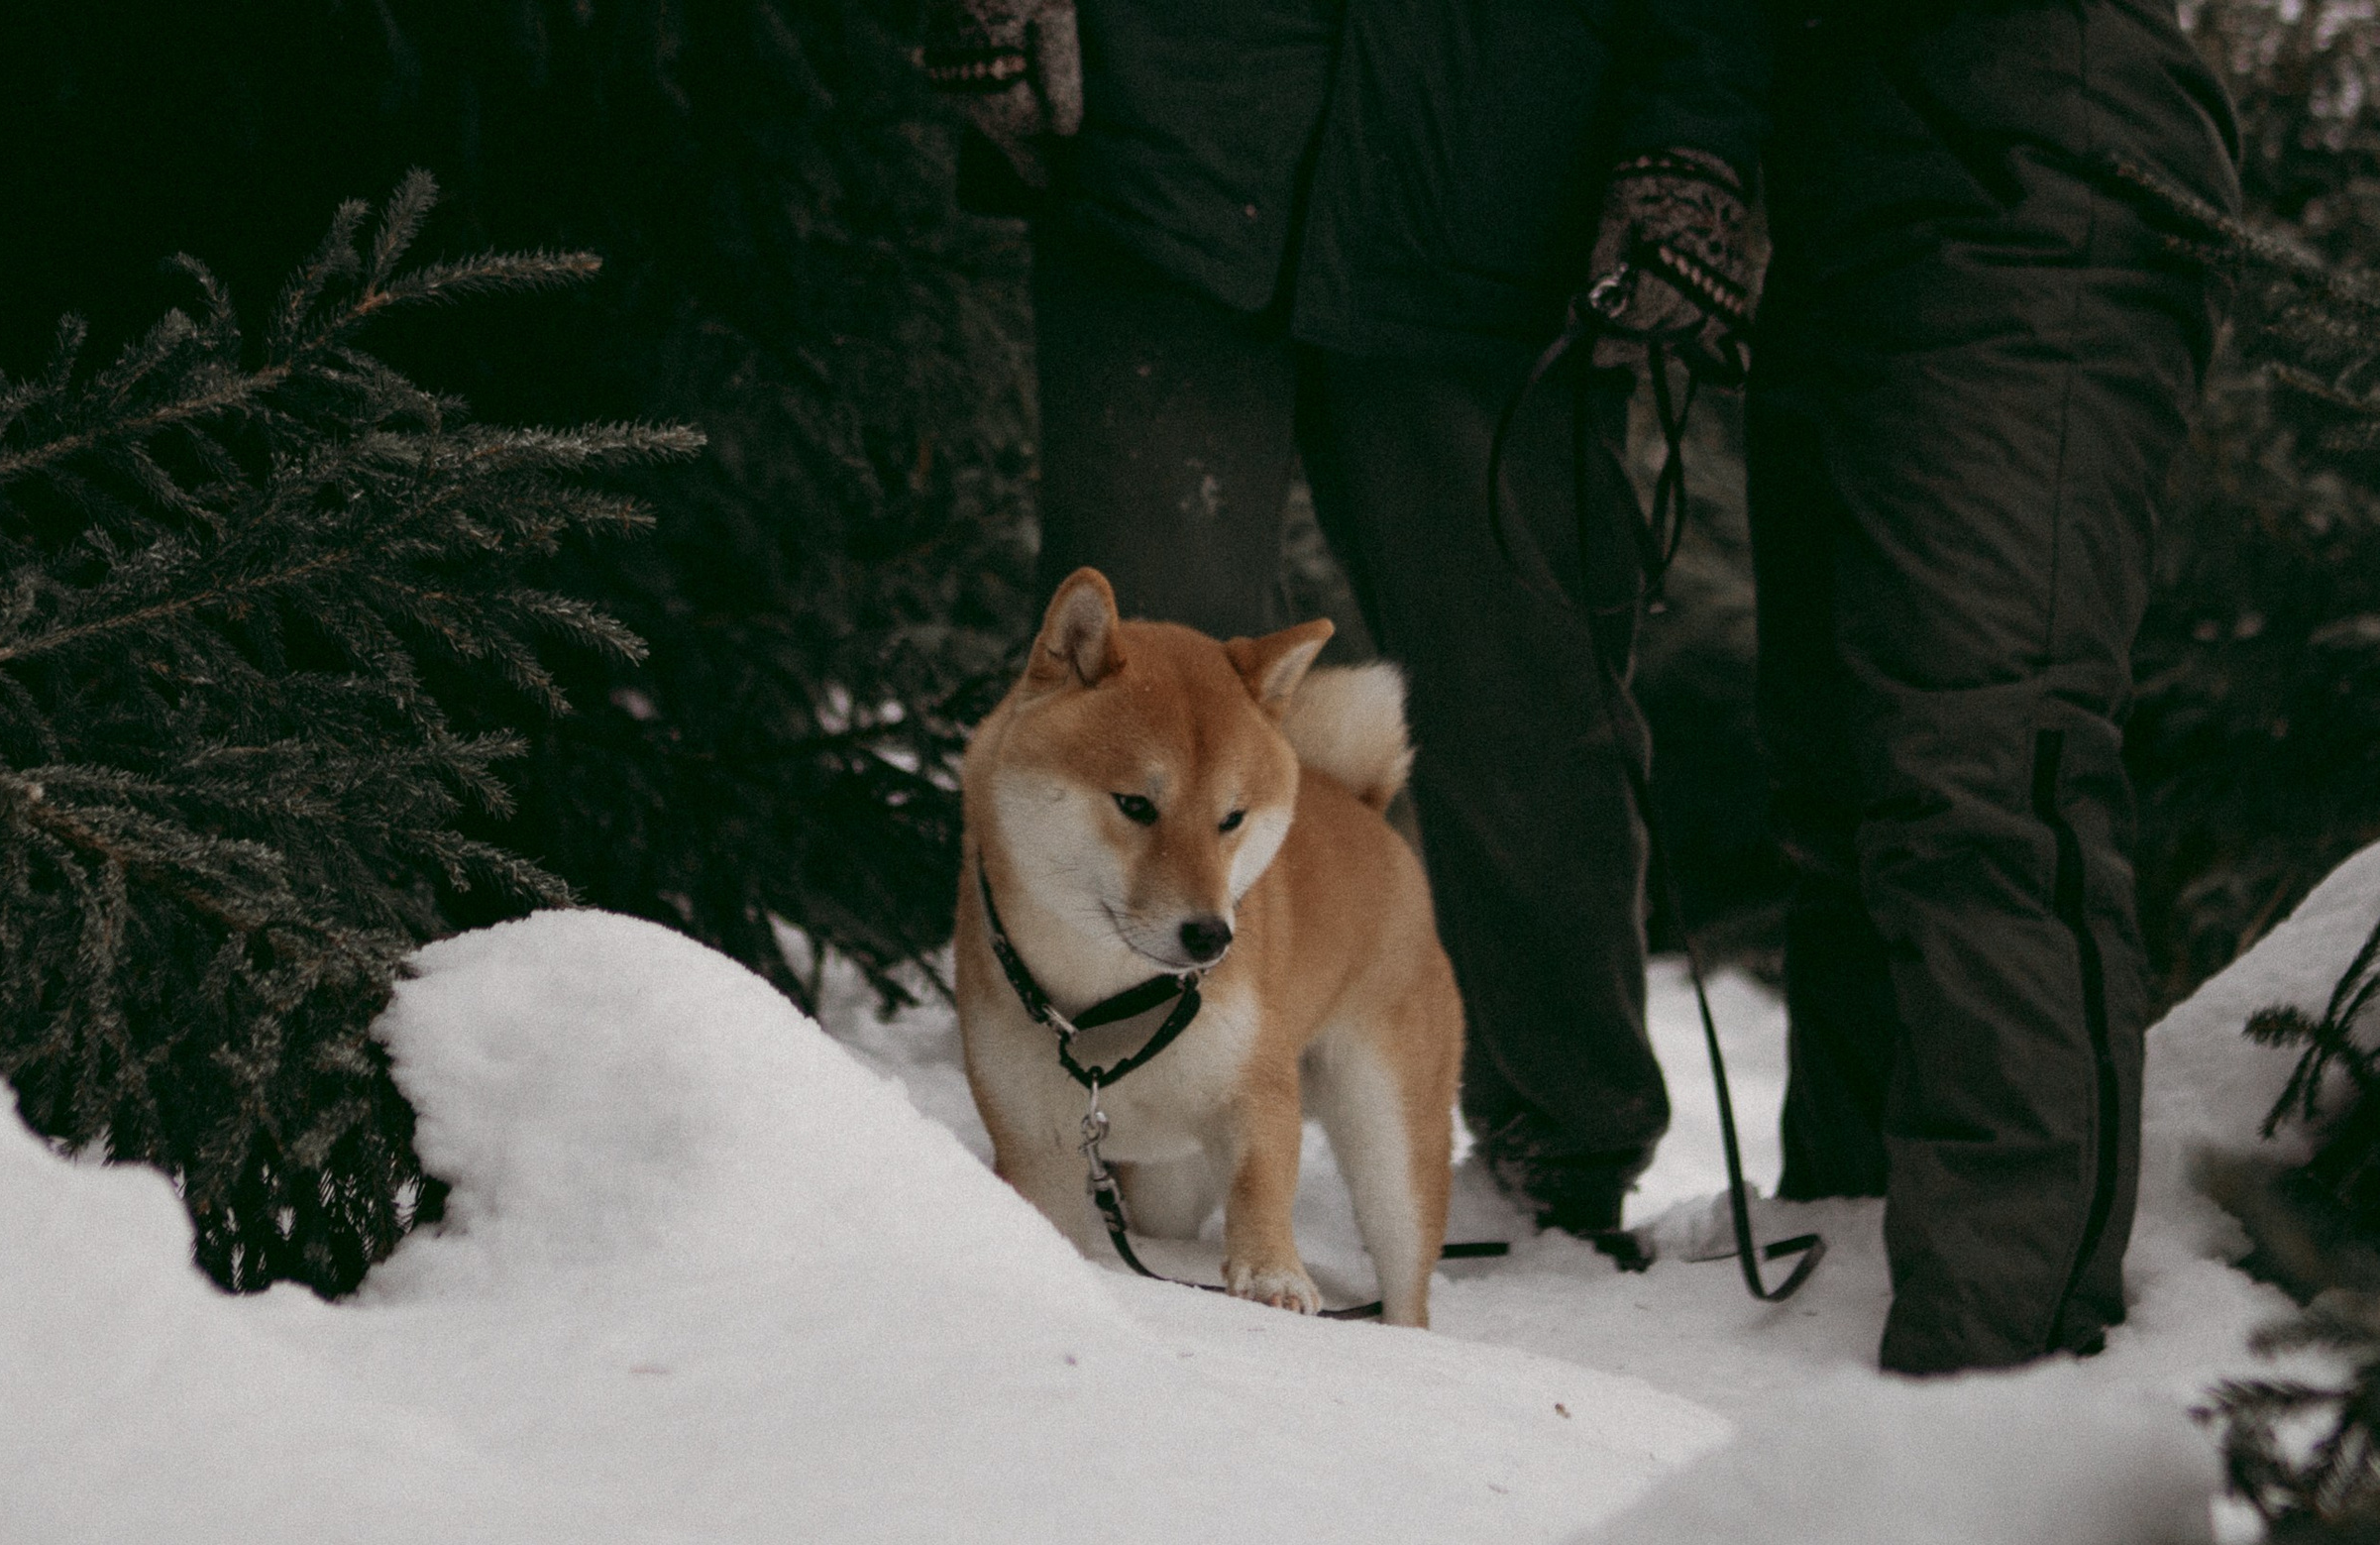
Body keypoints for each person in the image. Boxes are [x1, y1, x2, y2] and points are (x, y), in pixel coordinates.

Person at [920, 0, 1772, 1239]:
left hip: (1500, 177)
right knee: (1137, 711)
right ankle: (1131, 1139)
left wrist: (1691, 144)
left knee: (1526, 697)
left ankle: (1562, 1163)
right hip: (1173, 145)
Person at [1749, 1, 2240, 1372]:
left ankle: (1996, 1363)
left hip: (2041, 154)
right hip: (1842, 166)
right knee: (1841, 786)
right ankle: (1846, 1262)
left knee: (1985, 768)